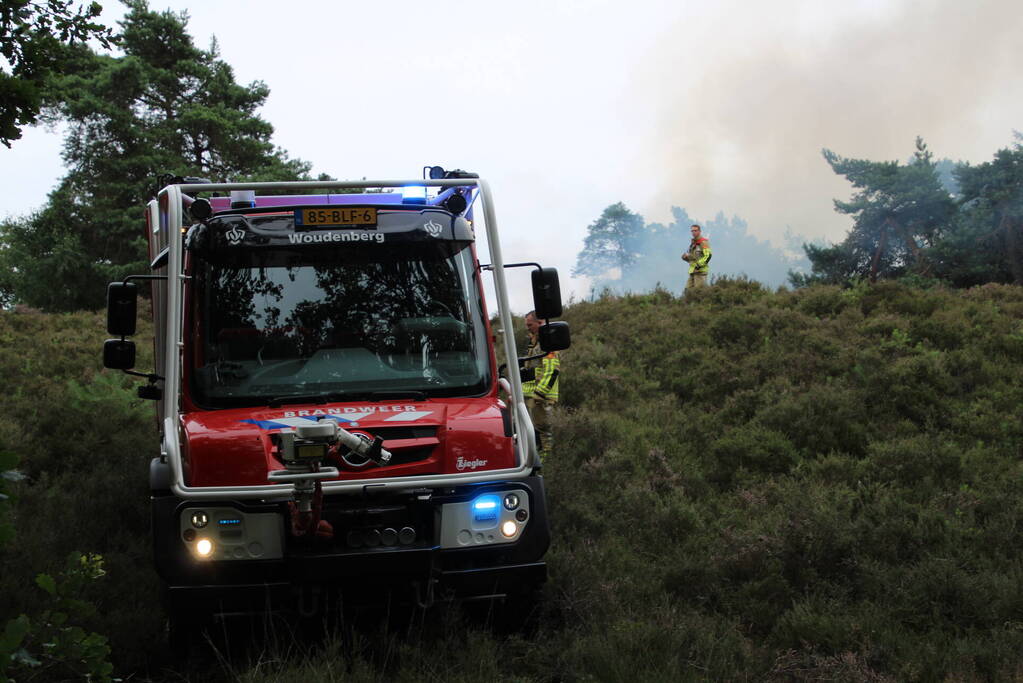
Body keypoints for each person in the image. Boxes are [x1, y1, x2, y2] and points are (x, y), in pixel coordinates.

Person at [521, 310, 560, 455]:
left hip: (541, 398)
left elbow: (552, 371)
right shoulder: (534, 343)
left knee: (544, 432)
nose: (528, 328)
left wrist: (539, 394)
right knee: (534, 431)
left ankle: (547, 462)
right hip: (532, 395)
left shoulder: (547, 343)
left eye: (530, 325)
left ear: (540, 323)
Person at [682, 223, 711, 289]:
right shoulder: (693, 244)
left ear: (699, 231)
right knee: (688, 291)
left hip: (700, 272)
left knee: (699, 292)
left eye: (695, 230)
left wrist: (699, 265)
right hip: (692, 271)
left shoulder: (703, 242)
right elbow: (693, 259)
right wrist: (686, 258)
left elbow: (708, 255)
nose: (693, 232)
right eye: (692, 231)